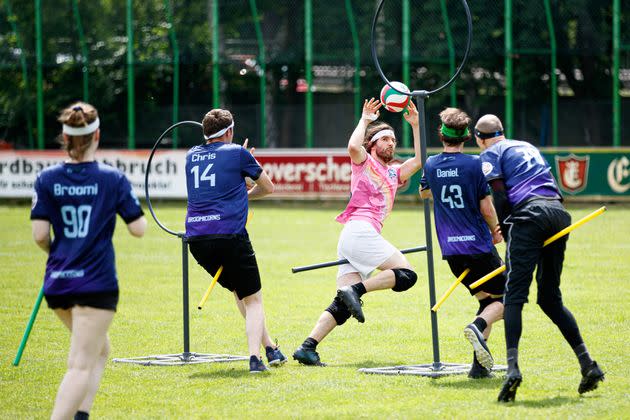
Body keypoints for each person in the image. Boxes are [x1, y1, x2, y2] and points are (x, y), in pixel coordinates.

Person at [475, 114, 604, 402]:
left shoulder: (490, 153)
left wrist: (507, 231)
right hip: (558, 214)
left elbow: (500, 194)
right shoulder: (526, 146)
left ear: (479, 138)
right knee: (549, 298)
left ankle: (512, 370)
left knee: (514, 296)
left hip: (528, 216)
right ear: (502, 131)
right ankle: (588, 365)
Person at [31, 102, 147, 420]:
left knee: (100, 349)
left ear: (65, 138)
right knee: (80, 364)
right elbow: (138, 229)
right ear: (97, 135)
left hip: (58, 283)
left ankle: (82, 414)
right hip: (96, 284)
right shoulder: (113, 178)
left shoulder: (46, 178)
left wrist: (62, 254)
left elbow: (40, 235)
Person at [293, 98, 423, 366]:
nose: (390, 143)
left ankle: (307, 347)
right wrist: (365, 120)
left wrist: (416, 125)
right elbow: (353, 146)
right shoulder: (363, 162)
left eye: (393, 140)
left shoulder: (394, 174)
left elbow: (420, 160)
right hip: (359, 232)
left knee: (342, 305)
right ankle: (357, 289)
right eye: (385, 139)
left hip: (355, 237)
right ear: (372, 145)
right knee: (407, 275)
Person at [185, 108, 286, 373]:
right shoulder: (238, 153)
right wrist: (244, 170)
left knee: (240, 292)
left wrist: (237, 179)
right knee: (253, 300)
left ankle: (271, 348)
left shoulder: (190, 156)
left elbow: (217, 188)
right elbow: (268, 188)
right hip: (229, 235)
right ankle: (255, 359)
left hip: (196, 240)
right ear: (229, 131)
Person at [419, 107, 505, 379]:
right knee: (511, 297)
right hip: (478, 247)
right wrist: (496, 231)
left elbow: (424, 194)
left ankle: (479, 368)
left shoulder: (431, 164)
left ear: (441, 135)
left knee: (487, 300)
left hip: (452, 252)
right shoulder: (474, 164)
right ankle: (478, 326)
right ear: (467, 136)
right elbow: (487, 208)